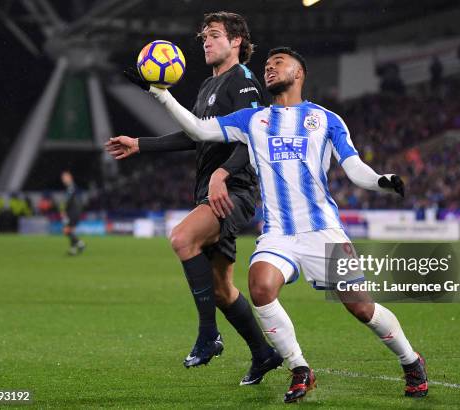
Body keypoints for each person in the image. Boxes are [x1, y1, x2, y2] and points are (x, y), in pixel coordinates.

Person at [143, 46, 428, 403]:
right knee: (260, 287)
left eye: (279, 62)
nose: (270, 68)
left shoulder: (326, 119)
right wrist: (162, 94)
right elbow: (199, 131)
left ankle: (411, 360)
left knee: (361, 308)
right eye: (267, 65)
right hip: (278, 233)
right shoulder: (254, 120)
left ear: (300, 72)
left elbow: (354, 166)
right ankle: (299, 369)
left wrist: (380, 180)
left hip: (322, 230)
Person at [105, 12, 282, 384]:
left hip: (235, 189)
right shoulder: (206, 87)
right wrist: (141, 144)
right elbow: (196, 135)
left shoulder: (244, 81)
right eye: (203, 37)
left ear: (236, 42)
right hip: (211, 189)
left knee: (182, 237)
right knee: (221, 290)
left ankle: (208, 336)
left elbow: (256, 134)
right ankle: (264, 354)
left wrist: (223, 173)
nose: (206, 41)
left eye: (214, 35)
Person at [61, 171, 85, 256]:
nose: (63, 179)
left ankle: (80, 244)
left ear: (69, 178)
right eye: (63, 178)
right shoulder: (71, 187)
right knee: (71, 231)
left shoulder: (71, 187)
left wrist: (64, 211)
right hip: (74, 211)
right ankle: (73, 249)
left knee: (66, 230)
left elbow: (68, 200)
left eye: (65, 177)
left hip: (73, 212)